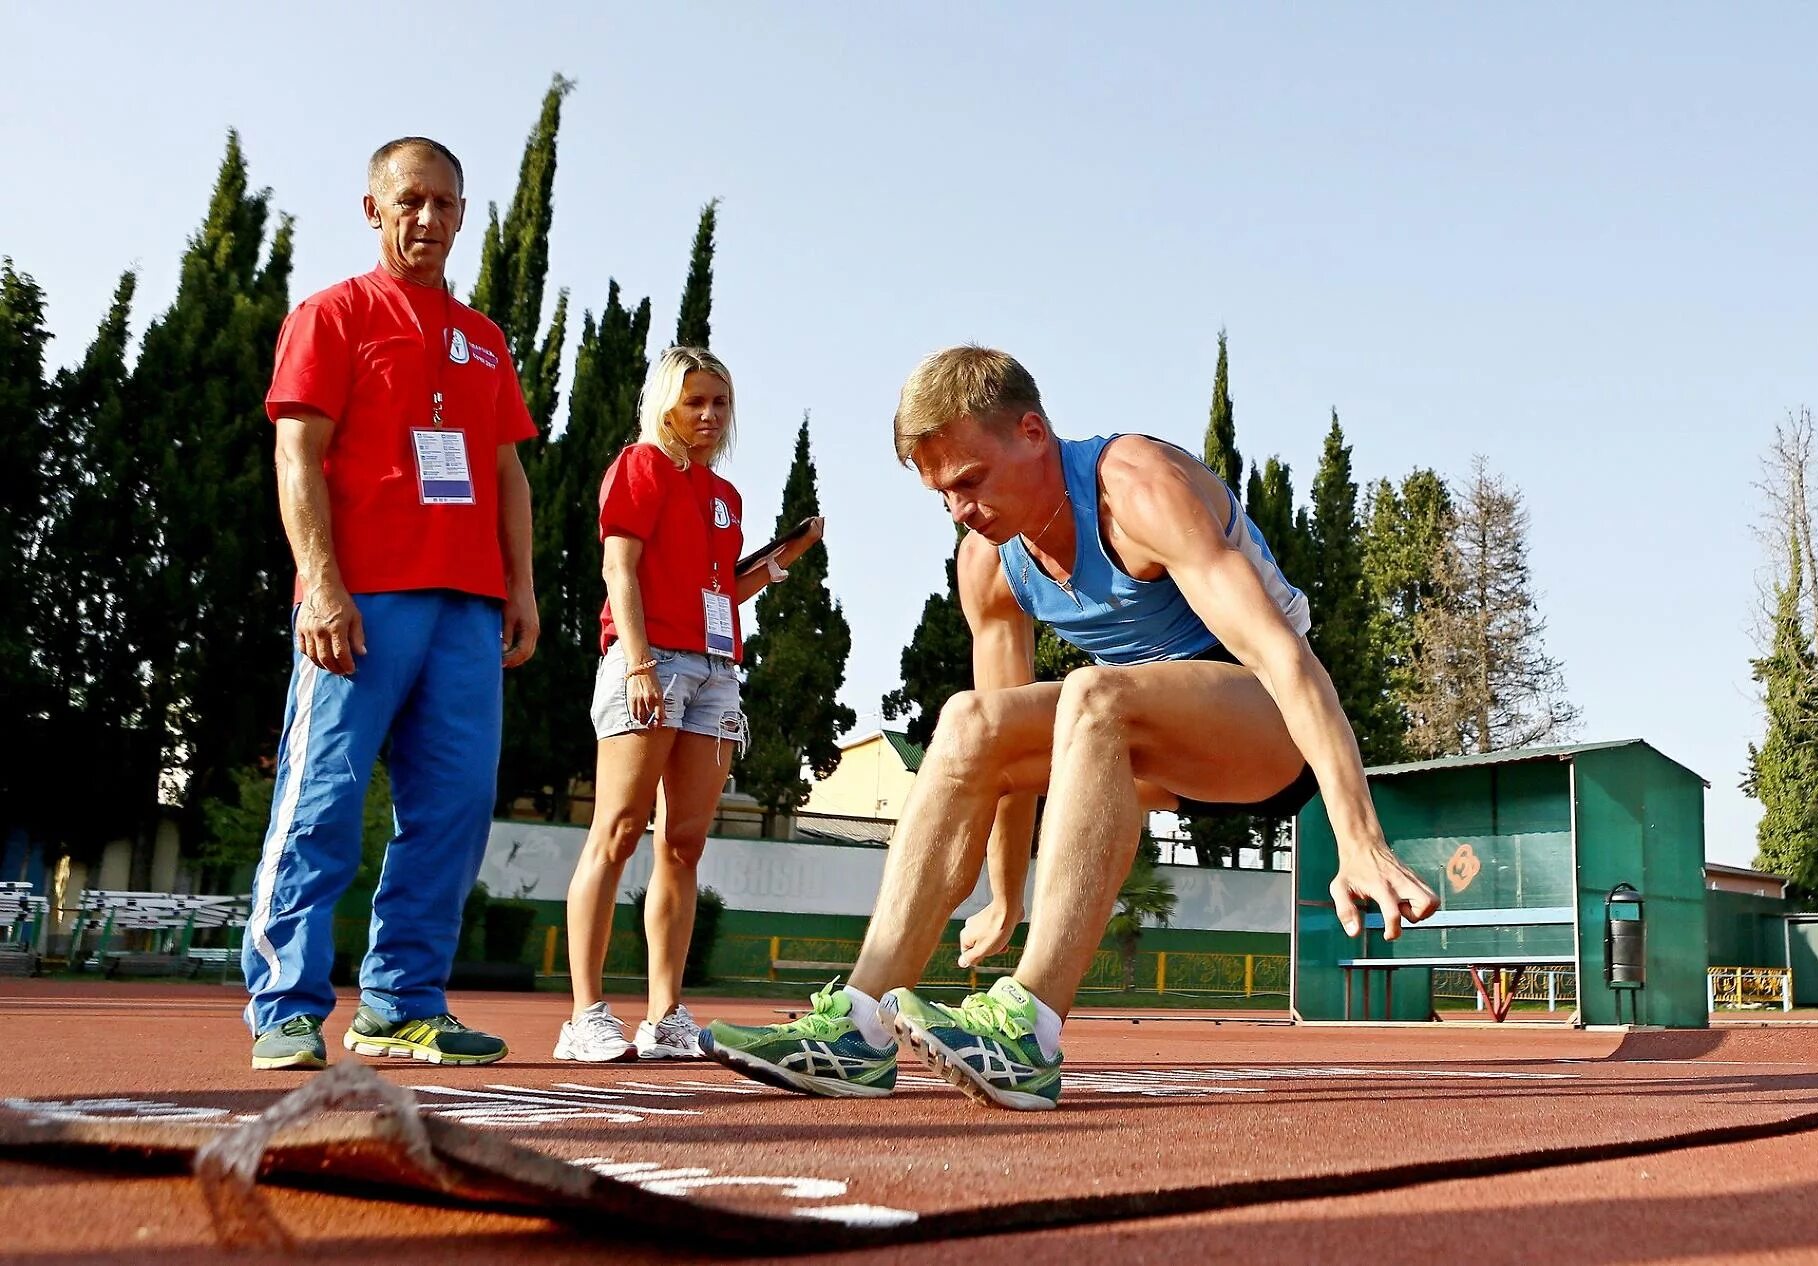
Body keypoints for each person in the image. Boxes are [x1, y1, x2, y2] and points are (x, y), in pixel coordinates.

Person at [701, 345, 1439, 1109]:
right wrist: (1005, 895)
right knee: (967, 717)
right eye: (941, 496)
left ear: (1031, 432)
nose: (959, 510)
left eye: (969, 482)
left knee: (1095, 696)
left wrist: (1358, 837)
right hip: (1135, 747)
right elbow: (998, 762)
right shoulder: (988, 564)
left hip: (1268, 728)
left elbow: (1288, 661)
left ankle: (1029, 1030)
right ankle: (857, 1029)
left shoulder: (1139, 490)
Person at [243, 137, 538, 1071]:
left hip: (467, 608)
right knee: (323, 800)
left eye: (446, 204)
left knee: (452, 812)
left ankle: (403, 1001)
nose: (428, 219)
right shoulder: (331, 315)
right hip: (362, 597)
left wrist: (520, 586)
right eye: (410, 201)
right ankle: (285, 1006)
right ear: (373, 208)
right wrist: (321, 585)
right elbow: (297, 456)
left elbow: (506, 472)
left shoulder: (485, 338)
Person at [555, 347, 823, 1063]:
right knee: (617, 830)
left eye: (720, 403)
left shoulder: (725, 497)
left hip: (715, 671)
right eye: (695, 401)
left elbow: (720, 595)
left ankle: (665, 1015)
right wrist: (638, 662)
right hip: (650, 663)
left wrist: (780, 562)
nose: (708, 415)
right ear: (666, 404)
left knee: (683, 844)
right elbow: (620, 567)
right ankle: (585, 1015)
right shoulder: (641, 466)